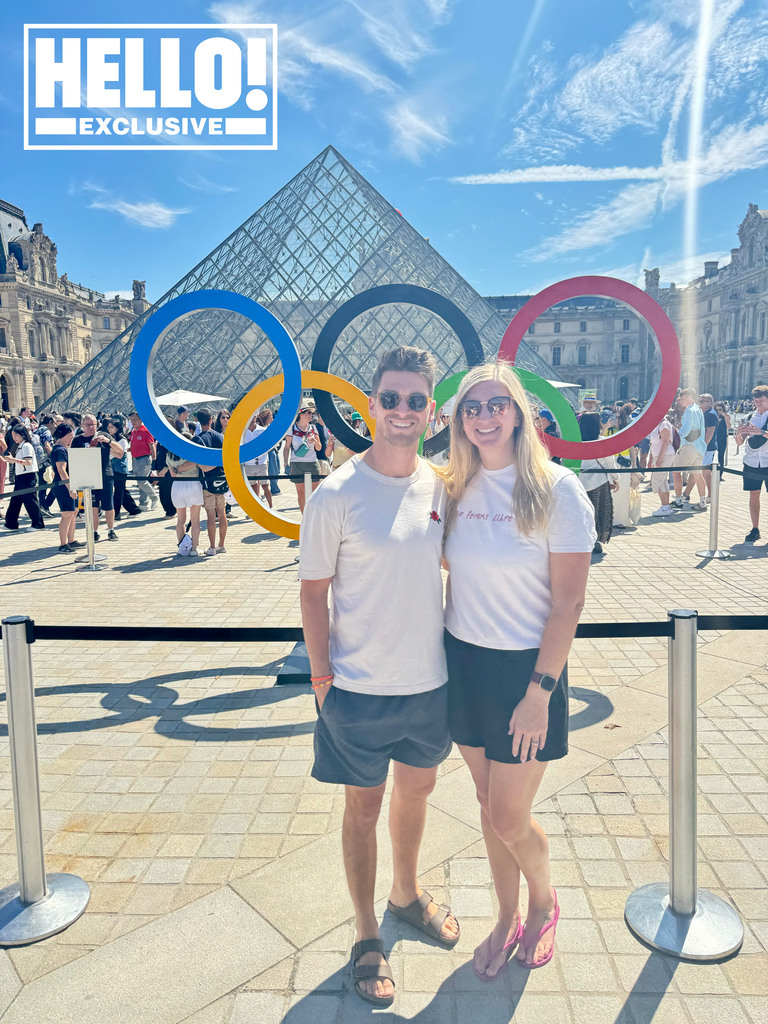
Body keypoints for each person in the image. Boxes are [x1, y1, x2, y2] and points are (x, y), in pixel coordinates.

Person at [299, 346, 459, 1008]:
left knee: (416, 797)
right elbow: (314, 593)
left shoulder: (443, 486)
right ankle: (367, 932)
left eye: (415, 400)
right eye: (390, 399)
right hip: (358, 689)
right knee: (362, 807)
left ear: (430, 410)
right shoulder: (336, 493)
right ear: (369, 406)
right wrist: (321, 675)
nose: (402, 411)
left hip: (429, 684)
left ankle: (404, 891)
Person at [440, 361, 595, 977]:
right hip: (464, 661)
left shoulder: (557, 489)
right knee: (485, 803)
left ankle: (543, 902)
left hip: (526, 674)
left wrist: (540, 692)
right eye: (471, 407)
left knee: (508, 814)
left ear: (520, 413)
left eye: (495, 404)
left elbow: (569, 602)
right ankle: (504, 917)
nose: (483, 416)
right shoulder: (453, 485)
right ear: (457, 418)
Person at [71, 413, 122, 541]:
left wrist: (108, 441)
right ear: (82, 425)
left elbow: (120, 452)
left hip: (105, 474)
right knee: (92, 505)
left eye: (93, 424)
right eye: (88, 425)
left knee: (108, 505)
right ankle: (94, 531)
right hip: (88, 476)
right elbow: (74, 459)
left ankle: (111, 530)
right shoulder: (77, 440)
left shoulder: (103, 436)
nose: (91, 427)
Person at [578, 411, 618, 552]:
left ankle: (580, 539)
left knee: (581, 512)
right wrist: (615, 479)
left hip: (579, 483)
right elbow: (609, 463)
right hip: (598, 483)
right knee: (597, 511)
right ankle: (595, 541)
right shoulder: (602, 442)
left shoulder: (575, 441)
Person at [734, 383, 768, 542]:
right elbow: (740, 443)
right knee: (754, 495)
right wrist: (739, 434)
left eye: (761, 400)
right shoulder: (749, 417)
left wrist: (761, 432)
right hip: (751, 462)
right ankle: (755, 528)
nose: (758, 403)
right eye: (756, 400)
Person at [192, 409, 227, 555]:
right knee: (222, 514)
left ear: (198, 420)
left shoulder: (197, 440)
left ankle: (212, 547)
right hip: (222, 480)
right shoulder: (220, 437)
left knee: (211, 516)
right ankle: (221, 545)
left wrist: (209, 465)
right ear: (212, 419)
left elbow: (202, 466)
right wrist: (218, 463)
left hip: (207, 483)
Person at [0, 424, 46, 532]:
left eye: (16, 435)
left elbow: (28, 462)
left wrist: (13, 460)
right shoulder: (21, 446)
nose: (14, 437)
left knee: (30, 500)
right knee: (16, 500)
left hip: (28, 476)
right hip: (21, 476)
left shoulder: (26, 446)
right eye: (13, 435)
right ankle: (11, 523)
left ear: (22, 435)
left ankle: (38, 523)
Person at [48, 423, 84, 552]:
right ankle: (63, 544)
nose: (72, 438)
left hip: (68, 484)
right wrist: (70, 488)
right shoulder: (59, 450)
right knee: (67, 514)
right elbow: (61, 470)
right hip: (63, 485)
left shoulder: (61, 449)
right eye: (70, 435)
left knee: (73, 512)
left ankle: (71, 540)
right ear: (63, 435)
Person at [283, 403, 322, 513]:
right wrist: (285, 463)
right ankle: (304, 517)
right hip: (297, 463)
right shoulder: (292, 429)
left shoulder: (313, 428)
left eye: (312, 413)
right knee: (301, 493)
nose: (311, 415)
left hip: (312, 462)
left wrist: (314, 441)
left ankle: (314, 516)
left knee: (315, 493)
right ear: (301, 414)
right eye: (308, 412)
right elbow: (286, 448)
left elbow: (319, 448)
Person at [671, 388, 707, 510]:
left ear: (691, 398)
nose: (681, 400)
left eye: (684, 398)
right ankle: (702, 501)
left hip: (689, 446)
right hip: (700, 446)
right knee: (697, 474)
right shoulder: (698, 410)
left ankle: (678, 500)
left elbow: (685, 431)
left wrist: (675, 436)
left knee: (676, 471)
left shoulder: (689, 411)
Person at [167, 444, 203, 556]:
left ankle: (182, 548)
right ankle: (194, 549)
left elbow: (172, 474)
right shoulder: (192, 453)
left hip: (177, 485)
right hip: (192, 483)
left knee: (180, 520)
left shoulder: (169, 455)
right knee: (195, 520)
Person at [107, 420, 142, 518]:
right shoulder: (111, 438)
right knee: (122, 490)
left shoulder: (122, 440)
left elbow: (120, 454)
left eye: (112, 427)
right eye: (109, 427)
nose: (109, 429)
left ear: (117, 428)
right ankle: (134, 509)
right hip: (112, 467)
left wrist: (109, 449)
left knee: (118, 491)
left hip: (120, 468)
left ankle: (116, 513)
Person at [243, 409, 273, 508]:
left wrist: (266, 460)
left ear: (256, 417)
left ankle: (271, 507)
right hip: (249, 464)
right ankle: (255, 508)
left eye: (253, 417)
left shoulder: (262, 430)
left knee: (265, 486)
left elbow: (267, 446)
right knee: (253, 488)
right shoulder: (243, 432)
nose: (251, 419)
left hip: (261, 462)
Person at [128, 411, 158, 509]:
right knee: (139, 481)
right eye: (131, 420)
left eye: (135, 420)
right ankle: (143, 503)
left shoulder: (146, 431)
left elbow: (151, 444)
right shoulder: (133, 432)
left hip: (144, 458)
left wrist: (154, 459)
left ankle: (154, 497)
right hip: (135, 459)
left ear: (141, 419)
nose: (133, 422)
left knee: (142, 481)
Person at [648, 411, 676, 516]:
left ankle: (665, 506)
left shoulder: (664, 424)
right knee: (663, 481)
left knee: (657, 480)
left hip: (665, 456)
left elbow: (665, 442)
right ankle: (665, 506)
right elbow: (653, 444)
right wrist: (651, 460)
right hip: (659, 456)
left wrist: (659, 459)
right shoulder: (657, 425)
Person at [698, 394, 719, 502]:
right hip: (706, 446)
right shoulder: (705, 413)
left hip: (708, 447)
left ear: (710, 403)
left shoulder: (710, 414)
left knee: (705, 473)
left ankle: (711, 495)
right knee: (704, 472)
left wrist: (703, 446)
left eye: (702, 401)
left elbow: (710, 432)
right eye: (699, 401)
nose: (700, 403)